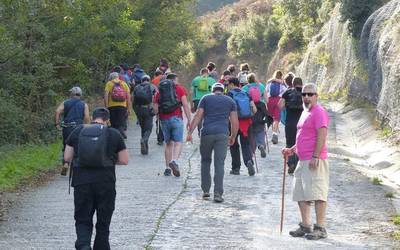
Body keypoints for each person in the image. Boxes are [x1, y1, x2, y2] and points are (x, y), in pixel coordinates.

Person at [64, 107, 129, 250]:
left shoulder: (78, 131)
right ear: (107, 120)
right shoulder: (113, 134)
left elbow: (67, 157)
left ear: (92, 117)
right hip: (106, 182)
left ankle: (83, 245)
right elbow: (124, 160)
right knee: (103, 222)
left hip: (82, 182)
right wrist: (109, 160)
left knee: (82, 218)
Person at [282, 83, 330, 240]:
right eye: (304, 94)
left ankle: (320, 228)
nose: (307, 97)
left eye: (310, 94)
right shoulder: (305, 112)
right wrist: (292, 149)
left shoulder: (319, 112)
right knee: (301, 194)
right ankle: (305, 225)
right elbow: (304, 136)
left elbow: (322, 134)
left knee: (317, 193)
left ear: (317, 96)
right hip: (302, 159)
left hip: (314, 159)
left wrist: (316, 156)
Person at [186, 83, 239, 203]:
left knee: (205, 161)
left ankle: (205, 191)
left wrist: (190, 132)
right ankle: (218, 193)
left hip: (207, 134)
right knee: (219, 164)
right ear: (223, 90)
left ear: (212, 90)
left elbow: (198, 117)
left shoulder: (206, 98)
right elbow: (235, 122)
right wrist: (233, 136)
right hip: (222, 134)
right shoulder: (230, 101)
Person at [154, 73, 191, 177]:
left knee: (168, 143)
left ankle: (167, 168)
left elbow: (156, 109)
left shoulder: (160, 90)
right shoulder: (179, 88)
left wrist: (158, 117)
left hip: (164, 119)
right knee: (178, 142)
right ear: (175, 80)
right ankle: (174, 161)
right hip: (177, 118)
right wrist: (189, 119)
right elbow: (185, 105)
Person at [55, 86, 90, 175]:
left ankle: (66, 163)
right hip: (78, 128)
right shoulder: (84, 104)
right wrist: (87, 127)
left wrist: (57, 124)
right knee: (78, 146)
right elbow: (86, 117)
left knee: (66, 145)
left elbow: (57, 111)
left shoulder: (65, 102)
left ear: (71, 94)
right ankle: (76, 167)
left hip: (67, 128)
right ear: (80, 95)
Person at [227, 77, 257, 176]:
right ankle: (249, 161)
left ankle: (236, 168)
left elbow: (227, 111)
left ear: (231, 84)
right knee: (246, 144)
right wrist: (249, 116)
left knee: (233, 144)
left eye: (228, 84)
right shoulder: (246, 93)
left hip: (233, 122)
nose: (227, 86)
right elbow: (255, 110)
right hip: (246, 123)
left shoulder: (229, 94)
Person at [279, 77, 303, 173]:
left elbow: (280, 106)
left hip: (290, 122)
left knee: (290, 142)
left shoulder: (287, 93)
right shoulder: (306, 93)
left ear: (292, 84)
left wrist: (287, 107)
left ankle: (291, 164)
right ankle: (298, 165)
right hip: (302, 123)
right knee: (300, 143)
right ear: (301, 83)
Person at [241, 73, 268, 158]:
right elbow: (267, 100)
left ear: (247, 80)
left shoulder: (245, 88)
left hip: (250, 111)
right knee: (260, 129)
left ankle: (251, 152)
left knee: (251, 132)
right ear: (255, 79)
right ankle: (261, 145)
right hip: (260, 110)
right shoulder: (261, 86)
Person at [132, 75, 157, 155]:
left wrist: (135, 111)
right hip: (148, 109)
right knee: (149, 128)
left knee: (143, 128)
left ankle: (144, 150)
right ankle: (143, 140)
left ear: (141, 80)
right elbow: (157, 97)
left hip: (139, 109)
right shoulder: (152, 86)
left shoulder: (137, 87)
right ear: (149, 80)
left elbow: (133, 99)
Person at [104, 72, 131, 139]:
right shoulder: (124, 83)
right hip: (122, 106)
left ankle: (115, 136)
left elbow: (106, 95)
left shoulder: (109, 83)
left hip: (111, 106)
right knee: (121, 121)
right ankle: (121, 132)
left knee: (113, 122)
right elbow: (128, 97)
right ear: (118, 77)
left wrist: (106, 106)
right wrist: (128, 108)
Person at [191, 68, 216, 134]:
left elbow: (192, 93)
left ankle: (200, 133)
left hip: (197, 100)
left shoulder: (195, 80)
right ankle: (208, 132)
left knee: (199, 118)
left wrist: (192, 105)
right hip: (209, 100)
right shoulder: (212, 80)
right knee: (209, 117)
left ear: (200, 73)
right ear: (208, 73)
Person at [265, 70, 287, 144]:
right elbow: (285, 91)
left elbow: (265, 92)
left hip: (270, 101)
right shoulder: (282, 84)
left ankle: (264, 134)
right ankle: (275, 134)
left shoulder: (270, 83)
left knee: (269, 117)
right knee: (276, 119)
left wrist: (266, 101)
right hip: (278, 100)